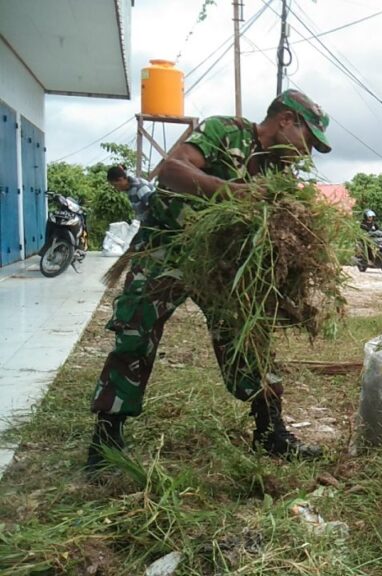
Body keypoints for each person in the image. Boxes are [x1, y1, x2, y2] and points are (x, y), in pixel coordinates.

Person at [86, 89, 333, 473]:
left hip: (218, 264)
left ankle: (271, 433)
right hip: (164, 248)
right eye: (309, 140)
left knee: (248, 338)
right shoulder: (224, 131)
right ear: (286, 120)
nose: (308, 152)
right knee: (135, 334)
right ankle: (105, 441)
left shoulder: (278, 172)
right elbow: (170, 170)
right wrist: (233, 192)